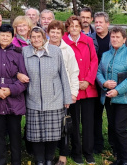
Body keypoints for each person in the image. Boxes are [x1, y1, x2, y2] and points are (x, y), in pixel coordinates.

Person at [23, 27, 73, 165]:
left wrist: (67, 98)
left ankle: (49, 159)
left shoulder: (55, 51)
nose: (36, 39)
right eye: (33, 37)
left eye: (39, 36)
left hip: (54, 99)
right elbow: (19, 70)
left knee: (53, 134)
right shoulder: (25, 52)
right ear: (29, 38)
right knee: (36, 135)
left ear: (44, 37)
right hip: (33, 100)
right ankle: (39, 160)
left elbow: (63, 74)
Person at [0, 24, 28, 165]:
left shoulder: (19, 54)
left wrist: (11, 90)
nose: (5, 37)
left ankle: (16, 161)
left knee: (15, 132)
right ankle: (0, 161)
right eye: (3, 35)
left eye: (8, 35)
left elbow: (24, 78)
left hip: (14, 99)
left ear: (12, 37)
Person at [96, 27, 127, 165]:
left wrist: (118, 90)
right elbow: (98, 72)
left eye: (118, 37)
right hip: (109, 97)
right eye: (113, 37)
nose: (114, 39)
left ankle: (126, 160)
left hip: (124, 98)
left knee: (120, 129)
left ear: (124, 39)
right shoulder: (106, 54)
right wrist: (104, 83)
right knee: (113, 128)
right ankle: (119, 158)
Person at [63, 15, 98, 164]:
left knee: (88, 122)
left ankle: (88, 152)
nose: (75, 28)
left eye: (77, 26)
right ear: (68, 28)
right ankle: (76, 151)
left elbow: (94, 60)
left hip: (88, 88)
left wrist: (89, 80)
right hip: (73, 89)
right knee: (75, 122)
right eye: (72, 26)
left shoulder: (88, 41)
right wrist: (76, 84)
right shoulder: (63, 42)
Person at [46, 21, 80, 165]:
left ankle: (63, 155)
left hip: (65, 93)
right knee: (50, 126)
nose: (54, 35)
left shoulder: (67, 50)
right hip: (49, 94)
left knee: (64, 126)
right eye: (52, 32)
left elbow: (74, 72)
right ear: (48, 33)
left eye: (57, 32)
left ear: (62, 34)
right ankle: (49, 154)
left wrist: (73, 93)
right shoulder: (43, 48)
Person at [91, 12, 111, 154]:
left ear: (107, 24)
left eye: (101, 22)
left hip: (111, 83)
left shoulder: (114, 38)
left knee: (113, 116)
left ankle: (114, 143)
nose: (98, 25)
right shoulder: (89, 39)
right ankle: (97, 144)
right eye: (96, 22)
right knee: (95, 116)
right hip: (94, 82)